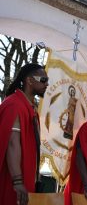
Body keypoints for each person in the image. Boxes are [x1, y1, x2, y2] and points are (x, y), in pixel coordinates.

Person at [0, 63, 49, 205]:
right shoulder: (14, 105)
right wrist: (17, 181)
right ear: (29, 80)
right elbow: (12, 144)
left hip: (26, 178)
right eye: (43, 80)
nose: (47, 85)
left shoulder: (29, 107)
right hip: (12, 181)